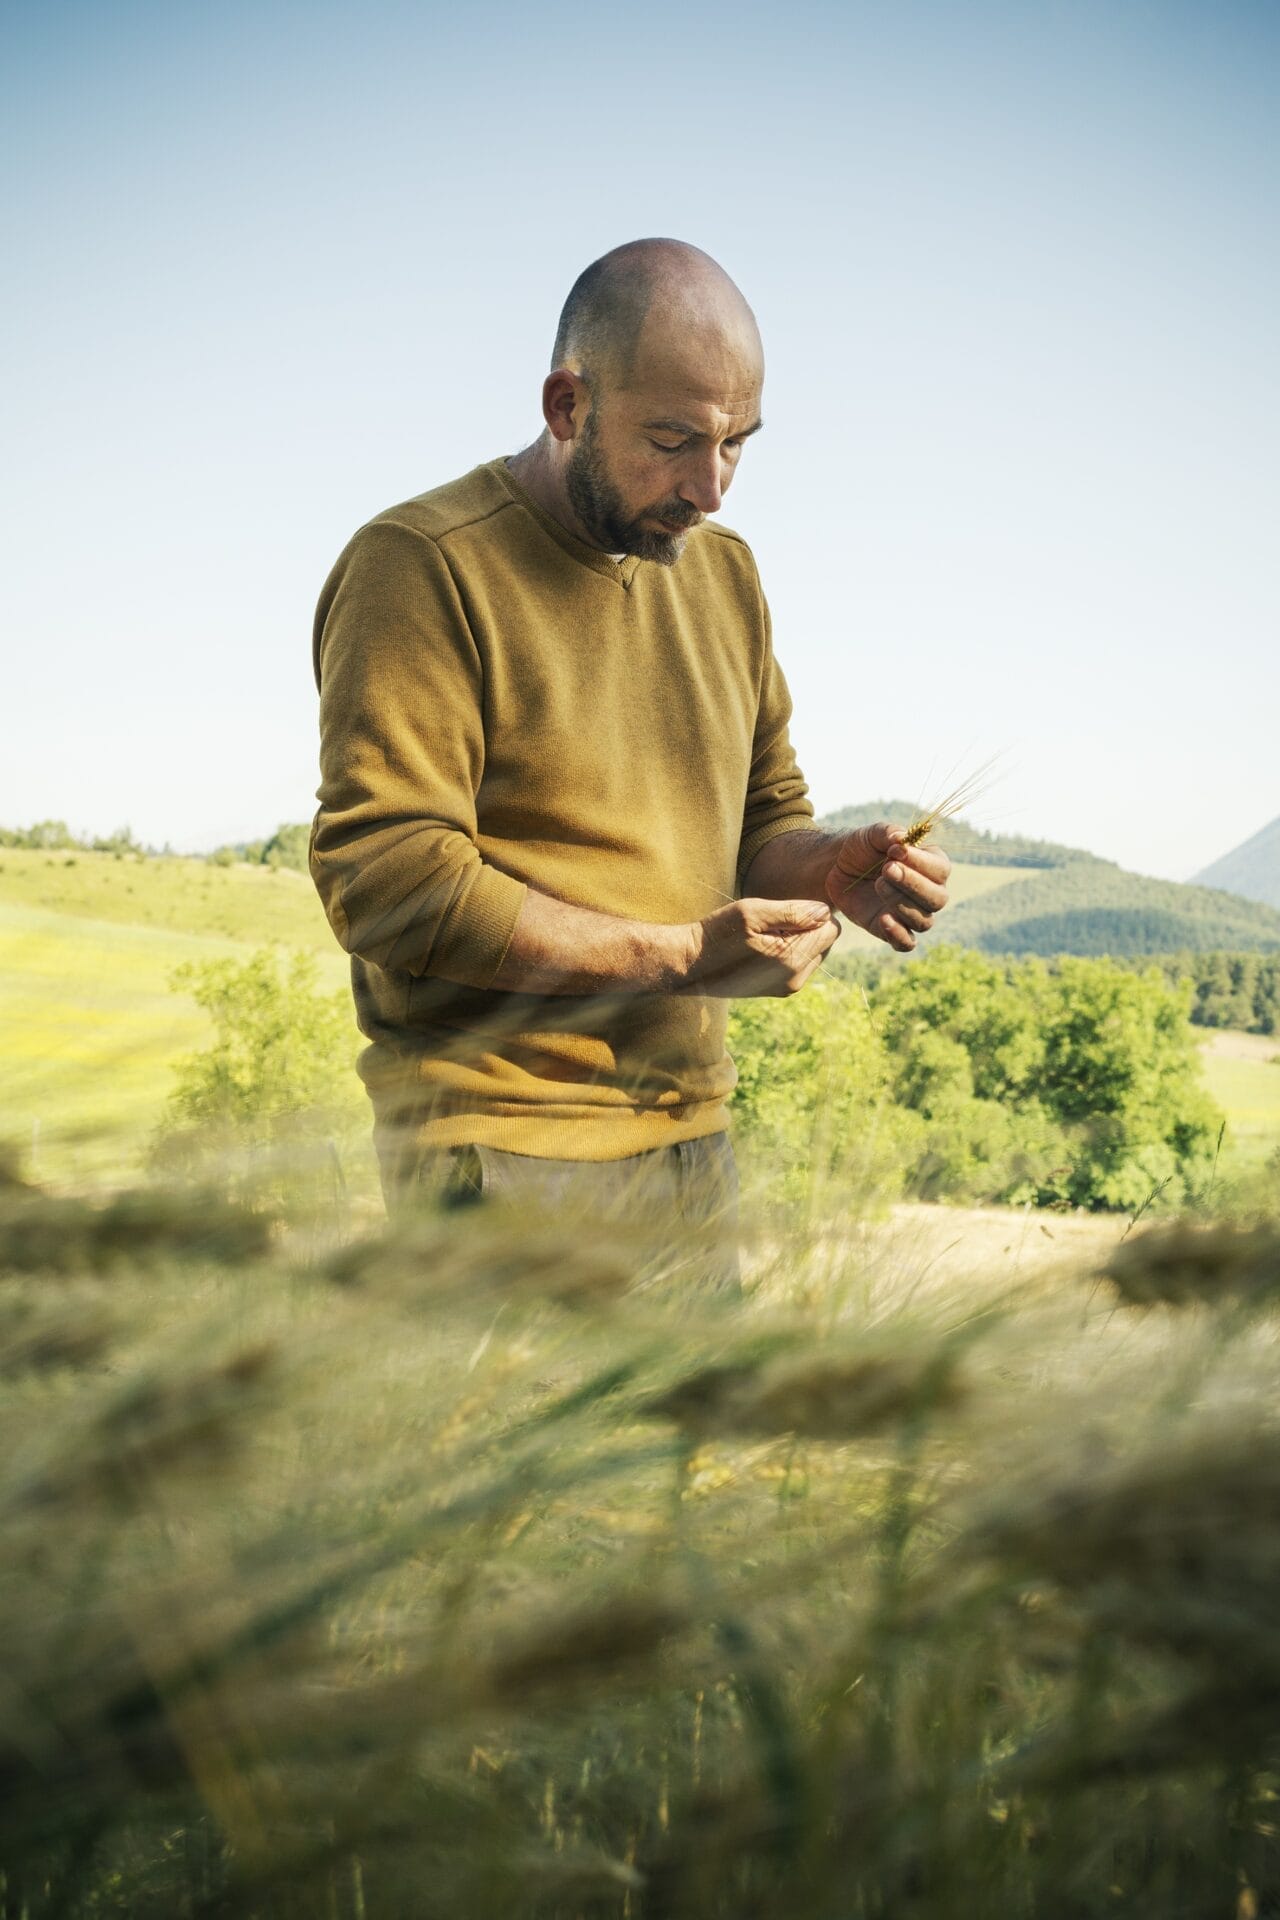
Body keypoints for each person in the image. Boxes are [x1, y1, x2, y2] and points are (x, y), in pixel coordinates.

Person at [310, 238, 950, 1286]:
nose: (709, 488)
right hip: (498, 1150)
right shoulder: (420, 566)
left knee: (680, 1458)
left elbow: (760, 820)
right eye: (671, 440)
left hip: (693, 1139)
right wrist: (680, 955)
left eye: (736, 443)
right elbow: (387, 886)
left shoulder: (725, 577)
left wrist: (827, 865)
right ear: (566, 404)